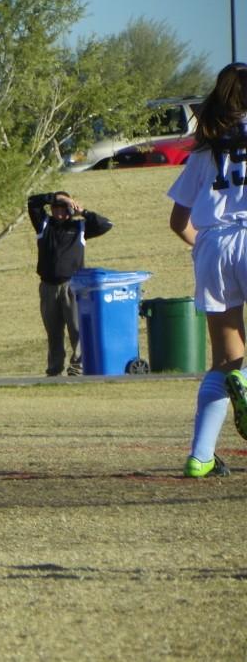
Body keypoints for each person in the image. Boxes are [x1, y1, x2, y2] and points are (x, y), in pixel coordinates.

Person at [167, 61, 247, 478]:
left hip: (213, 245)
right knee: (241, 369)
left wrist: (207, 250)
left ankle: (200, 458)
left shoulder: (206, 145)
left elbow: (179, 222)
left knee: (225, 359)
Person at [27, 191, 113, 377]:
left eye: (64, 208)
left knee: (77, 329)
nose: (59, 211)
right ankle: (54, 369)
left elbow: (106, 225)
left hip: (72, 286)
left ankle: (77, 368)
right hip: (48, 287)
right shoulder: (44, 224)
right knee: (53, 331)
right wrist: (56, 197)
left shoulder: (80, 227)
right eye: (56, 207)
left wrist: (83, 211)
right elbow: (32, 202)